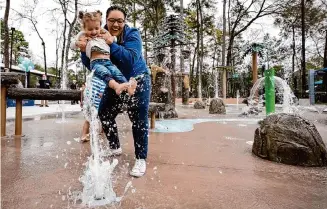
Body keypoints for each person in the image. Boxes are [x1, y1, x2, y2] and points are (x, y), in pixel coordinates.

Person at [80, 6, 151, 177]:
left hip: (138, 80)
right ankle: (115, 147)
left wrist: (111, 43)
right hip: (117, 82)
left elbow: (129, 59)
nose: (116, 24)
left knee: (138, 119)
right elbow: (92, 62)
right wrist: (84, 49)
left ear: (124, 22)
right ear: (106, 20)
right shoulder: (98, 32)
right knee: (104, 112)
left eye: (120, 21)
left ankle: (141, 159)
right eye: (112, 20)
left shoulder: (132, 34)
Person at [72, 10, 137, 142]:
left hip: (108, 60)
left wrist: (110, 39)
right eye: (90, 29)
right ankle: (117, 87)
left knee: (116, 73)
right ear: (85, 28)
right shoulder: (83, 35)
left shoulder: (102, 32)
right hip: (96, 62)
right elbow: (74, 44)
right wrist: (80, 44)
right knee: (105, 75)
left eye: (96, 28)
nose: (94, 31)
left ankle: (127, 86)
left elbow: (113, 39)